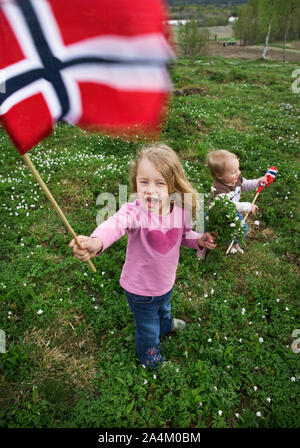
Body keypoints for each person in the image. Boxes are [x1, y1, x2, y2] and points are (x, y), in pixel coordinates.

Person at [69, 144, 216, 368]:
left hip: (166, 282)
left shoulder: (180, 211)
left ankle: (166, 325)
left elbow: (183, 236)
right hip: (139, 289)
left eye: (159, 183)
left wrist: (198, 241)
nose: (150, 189)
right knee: (147, 327)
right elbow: (114, 225)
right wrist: (96, 242)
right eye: (143, 181)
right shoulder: (134, 211)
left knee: (164, 308)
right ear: (135, 182)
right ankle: (151, 358)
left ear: (173, 185)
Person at [197, 149, 267, 258]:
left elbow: (246, 184)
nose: (238, 172)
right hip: (216, 214)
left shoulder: (237, 178)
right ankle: (202, 247)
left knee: (241, 228)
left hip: (231, 213)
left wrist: (257, 182)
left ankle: (234, 243)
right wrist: (248, 206)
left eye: (238, 169)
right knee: (209, 232)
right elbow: (229, 205)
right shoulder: (219, 189)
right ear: (219, 175)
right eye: (234, 171)